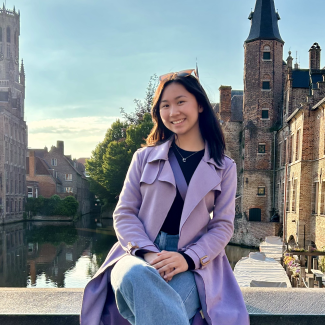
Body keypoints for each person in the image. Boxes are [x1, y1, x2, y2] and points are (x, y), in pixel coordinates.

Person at [80, 69, 250, 325]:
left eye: (181, 102)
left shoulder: (224, 167)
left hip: (191, 263)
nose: (173, 112)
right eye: (165, 105)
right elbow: (124, 213)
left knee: (161, 311)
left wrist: (187, 258)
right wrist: (148, 253)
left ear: (200, 105)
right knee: (135, 278)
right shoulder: (143, 158)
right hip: (136, 256)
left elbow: (223, 226)